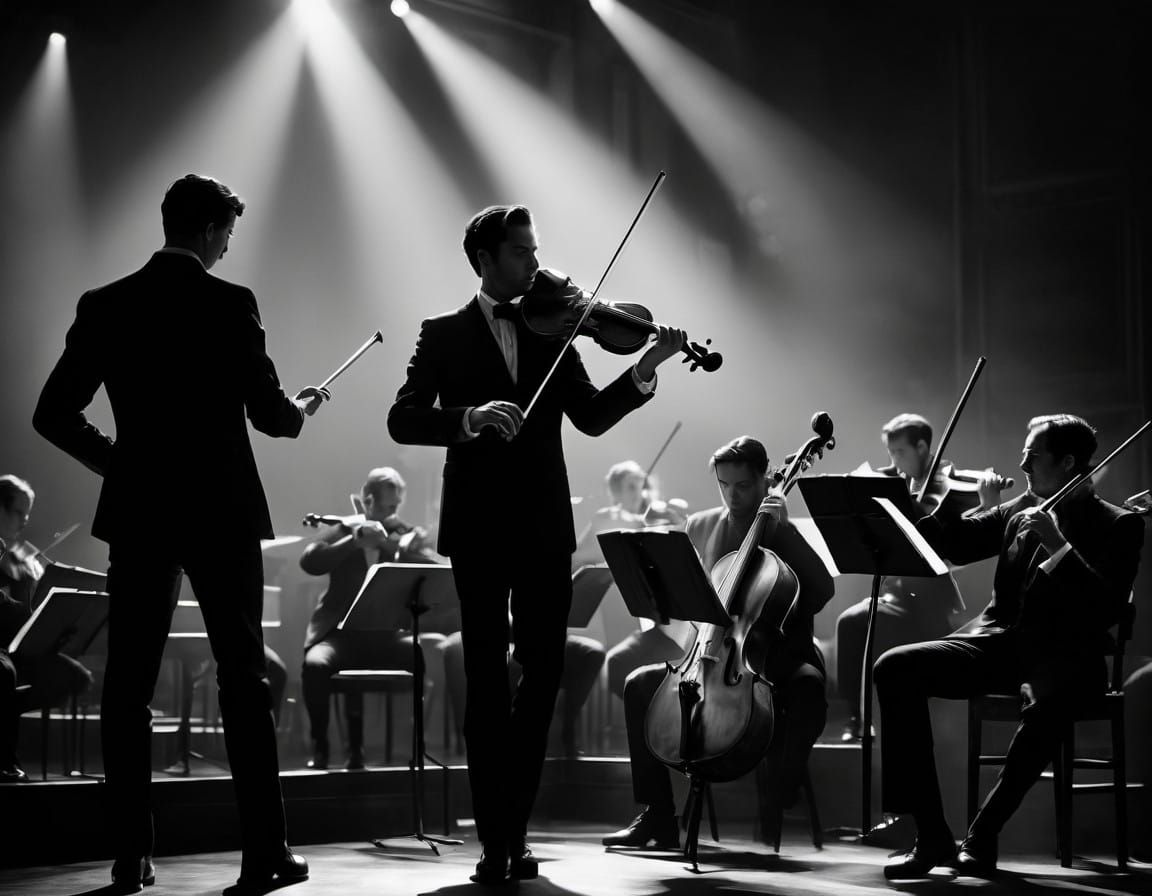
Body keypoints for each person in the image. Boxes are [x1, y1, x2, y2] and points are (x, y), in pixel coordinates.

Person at [33, 174, 330, 894]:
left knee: (127, 687)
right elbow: (270, 414)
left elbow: (52, 413)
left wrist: (123, 465)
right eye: (226, 233)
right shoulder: (231, 303)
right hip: (220, 511)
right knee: (244, 679)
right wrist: (300, 409)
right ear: (207, 230)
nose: (229, 246)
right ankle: (264, 855)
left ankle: (130, 856)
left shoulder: (104, 305)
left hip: (140, 512)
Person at [387, 204, 686, 884]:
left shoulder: (556, 331)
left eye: (535, 250)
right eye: (522, 252)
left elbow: (591, 417)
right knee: (487, 681)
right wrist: (468, 417)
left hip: (546, 529)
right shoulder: (443, 334)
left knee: (544, 673)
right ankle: (498, 840)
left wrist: (649, 365)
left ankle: (510, 825)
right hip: (479, 530)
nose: (536, 264)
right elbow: (403, 419)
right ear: (486, 259)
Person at [876, 414, 1144, 878]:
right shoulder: (1020, 509)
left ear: (1067, 462)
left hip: (1067, 655)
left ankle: (983, 835)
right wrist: (931, 500)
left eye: (1032, 455)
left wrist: (1059, 546)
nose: (1021, 462)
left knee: (1050, 703)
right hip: (998, 645)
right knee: (894, 667)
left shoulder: (1118, 524)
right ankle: (932, 835)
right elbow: (953, 545)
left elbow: (1103, 607)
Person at [601, 436, 835, 849]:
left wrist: (787, 534)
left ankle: (781, 787)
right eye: (724, 485)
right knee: (639, 684)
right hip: (714, 654)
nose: (732, 495)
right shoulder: (702, 524)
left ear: (765, 480)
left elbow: (820, 593)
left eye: (742, 485)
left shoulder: (787, 529)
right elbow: (692, 599)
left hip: (780, 653)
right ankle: (657, 816)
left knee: (809, 688)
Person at [835, 413, 1009, 742]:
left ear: (923, 446)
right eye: (891, 454)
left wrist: (988, 502)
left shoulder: (950, 484)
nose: (894, 462)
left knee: (861, 622)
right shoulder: (897, 482)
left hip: (933, 605)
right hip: (896, 597)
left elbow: (964, 545)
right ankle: (858, 716)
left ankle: (889, 722)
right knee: (852, 621)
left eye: (900, 453)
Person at [299, 467, 446, 770]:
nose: (390, 514)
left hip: (383, 635)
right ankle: (321, 747)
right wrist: (354, 541)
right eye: (384, 507)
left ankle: (416, 749)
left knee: (415, 654)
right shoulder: (346, 528)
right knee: (315, 665)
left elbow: (433, 568)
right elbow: (310, 560)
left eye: (394, 507)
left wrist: (395, 546)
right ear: (367, 501)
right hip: (338, 635)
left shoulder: (399, 533)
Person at [0, 475, 93, 783]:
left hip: (18, 642)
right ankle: (4, 760)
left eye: (27, 514)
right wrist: (28, 606)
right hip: (2, 643)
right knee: (3, 674)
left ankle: (7, 708)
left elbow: (45, 576)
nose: (25, 521)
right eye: (18, 512)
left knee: (73, 677)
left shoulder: (16, 550)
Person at [575, 461, 692, 702]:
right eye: (631, 487)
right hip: (617, 606)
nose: (639, 493)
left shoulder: (651, 517)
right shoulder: (607, 518)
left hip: (659, 619)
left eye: (641, 486)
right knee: (619, 662)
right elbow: (577, 558)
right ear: (615, 491)